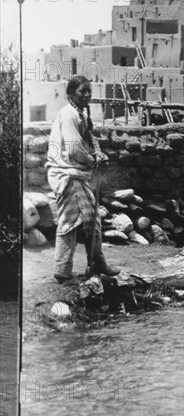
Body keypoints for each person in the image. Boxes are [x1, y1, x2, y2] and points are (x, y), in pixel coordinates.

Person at [46, 76, 120, 283]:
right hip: (67, 174)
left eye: (89, 91)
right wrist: (92, 161)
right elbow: (74, 149)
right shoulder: (69, 115)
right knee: (69, 222)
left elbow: (89, 140)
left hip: (76, 173)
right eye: (82, 92)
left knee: (92, 219)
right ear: (71, 95)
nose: (87, 95)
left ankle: (97, 262)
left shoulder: (81, 115)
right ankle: (62, 271)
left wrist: (98, 154)